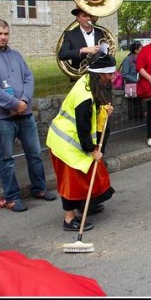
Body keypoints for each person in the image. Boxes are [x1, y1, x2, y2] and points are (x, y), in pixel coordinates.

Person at [0, 19, 56, 212]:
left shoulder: (16, 55)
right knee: (6, 159)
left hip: (24, 113)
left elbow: (28, 78)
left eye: (6, 34)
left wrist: (24, 101)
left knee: (35, 154)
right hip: (3, 117)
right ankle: (11, 197)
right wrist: (13, 103)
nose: (3, 37)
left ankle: (40, 188)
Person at [46, 54, 116, 232]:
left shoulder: (89, 81)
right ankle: (69, 219)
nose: (112, 77)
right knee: (72, 182)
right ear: (99, 74)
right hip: (65, 143)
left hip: (74, 141)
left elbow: (93, 113)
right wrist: (92, 151)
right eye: (109, 73)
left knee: (94, 173)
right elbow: (83, 129)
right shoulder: (84, 96)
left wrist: (103, 110)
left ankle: (89, 204)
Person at [57, 6, 105, 81]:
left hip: (100, 77)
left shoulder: (101, 33)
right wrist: (83, 50)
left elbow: (107, 53)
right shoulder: (70, 34)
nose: (89, 18)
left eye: (90, 15)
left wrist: (102, 51)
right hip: (80, 79)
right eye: (85, 16)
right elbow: (62, 55)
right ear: (78, 18)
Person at [121, 41, 144, 120]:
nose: (143, 50)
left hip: (139, 84)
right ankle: (133, 121)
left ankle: (140, 118)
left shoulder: (140, 59)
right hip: (131, 85)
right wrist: (136, 80)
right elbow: (124, 74)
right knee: (133, 103)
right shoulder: (127, 60)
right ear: (136, 50)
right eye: (141, 48)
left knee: (140, 102)